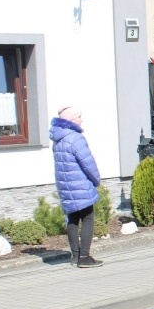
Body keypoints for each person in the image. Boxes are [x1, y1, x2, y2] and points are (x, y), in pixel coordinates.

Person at [49, 106, 103, 268]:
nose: (81, 119)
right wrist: (97, 180)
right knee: (88, 219)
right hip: (80, 185)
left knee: (72, 219)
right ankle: (85, 257)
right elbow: (87, 162)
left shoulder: (58, 138)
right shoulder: (75, 138)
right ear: (72, 120)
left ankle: (75, 256)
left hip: (65, 185)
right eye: (79, 117)